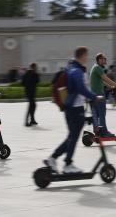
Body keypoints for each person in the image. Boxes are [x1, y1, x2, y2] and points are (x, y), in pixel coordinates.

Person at [44, 46, 103, 174]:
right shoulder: (77, 71)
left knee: (72, 137)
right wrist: (94, 97)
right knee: (73, 137)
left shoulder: (71, 67)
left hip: (70, 108)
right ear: (82, 56)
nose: (87, 58)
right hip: (75, 109)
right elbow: (81, 88)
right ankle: (68, 164)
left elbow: (78, 90)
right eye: (86, 55)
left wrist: (88, 97)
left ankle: (52, 158)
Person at [90, 53, 116, 137]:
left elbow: (102, 81)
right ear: (99, 59)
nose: (105, 60)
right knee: (102, 113)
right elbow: (105, 78)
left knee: (97, 114)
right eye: (103, 59)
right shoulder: (98, 68)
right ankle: (104, 132)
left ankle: (97, 131)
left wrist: (110, 87)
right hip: (99, 94)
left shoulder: (95, 67)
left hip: (94, 94)